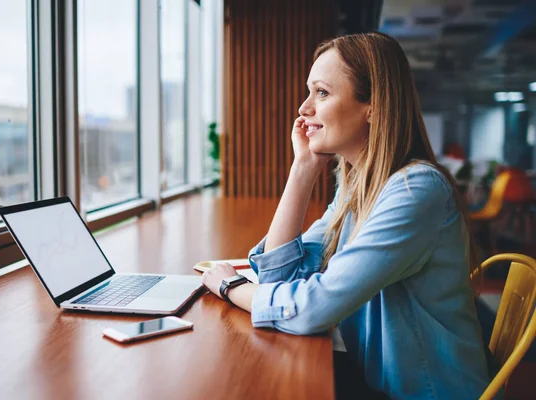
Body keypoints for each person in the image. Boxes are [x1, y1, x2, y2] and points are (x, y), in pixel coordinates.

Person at [202, 32, 497, 399]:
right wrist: (304, 167)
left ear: (372, 106)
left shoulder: (415, 191)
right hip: (380, 380)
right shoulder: (359, 186)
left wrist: (233, 287)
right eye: (309, 92)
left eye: (322, 93)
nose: (304, 108)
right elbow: (280, 275)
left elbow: (312, 309)